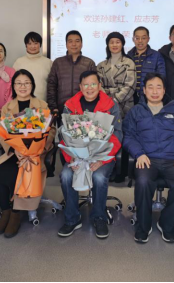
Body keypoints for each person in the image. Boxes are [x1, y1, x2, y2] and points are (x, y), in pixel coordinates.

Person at [124, 73, 174, 245]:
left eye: (158, 87)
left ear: (164, 91)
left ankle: (167, 223)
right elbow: (128, 136)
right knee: (143, 182)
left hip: (172, 160)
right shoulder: (135, 112)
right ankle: (143, 226)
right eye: (150, 87)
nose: (155, 91)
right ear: (144, 90)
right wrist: (139, 154)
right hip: (147, 159)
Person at [0, 70, 56, 239]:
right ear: (13, 86)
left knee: (18, 174)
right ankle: (6, 211)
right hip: (14, 153)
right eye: (18, 83)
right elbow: (2, 133)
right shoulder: (7, 107)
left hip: (35, 155)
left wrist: (37, 149)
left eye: (26, 83)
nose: (22, 86)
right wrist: (14, 150)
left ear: (32, 85)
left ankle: (16, 214)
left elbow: (51, 130)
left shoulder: (41, 105)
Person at [58, 71, 122, 240]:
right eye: (85, 84)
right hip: (76, 155)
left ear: (99, 85)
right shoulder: (70, 105)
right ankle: (72, 218)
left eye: (93, 84)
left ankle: (99, 217)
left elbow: (117, 135)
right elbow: (63, 134)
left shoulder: (111, 105)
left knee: (99, 177)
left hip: (102, 156)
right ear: (80, 87)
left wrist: (102, 160)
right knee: (66, 175)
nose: (89, 88)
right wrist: (71, 157)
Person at [97, 32, 136, 183]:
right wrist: (109, 101)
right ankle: (110, 168)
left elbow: (130, 86)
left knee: (125, 137)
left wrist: (114, 99)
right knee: (108, 137)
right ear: (107, 45)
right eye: (111, 42)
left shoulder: (129, 63)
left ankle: (123, 171)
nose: (114, 45)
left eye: (117, 42)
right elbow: (99, 87)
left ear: (122, 44)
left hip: (125, 106)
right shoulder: (101, 65)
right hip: (106, 108)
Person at [47, 31, 96, 116]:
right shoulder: (58, 62)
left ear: (81, 44)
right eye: (70, 41)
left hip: (84, 109)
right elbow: (51, 85)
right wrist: (53, 107)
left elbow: (94, 86)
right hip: (62, 108)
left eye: (77, 41)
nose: (74, 44)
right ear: (66, 44)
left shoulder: (89, 63)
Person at [127, 27, 166, 105]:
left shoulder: (157, 56)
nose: (140, 41)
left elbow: (162, 77)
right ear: (133, 39)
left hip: (149, 97)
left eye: (143, 38)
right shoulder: (128, 56)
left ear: (148, 39)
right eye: (137, 38)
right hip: (130, 98)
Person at [12, 32, 53, 103]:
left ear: (40, 44)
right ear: (26, 45)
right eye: (29, 43)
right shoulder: (19, 62)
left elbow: (52, 84)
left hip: (42, 102)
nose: (33, 46)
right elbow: (13, 83)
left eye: (35, 43)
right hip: (22, 101)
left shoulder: (48, 62)